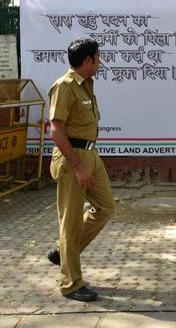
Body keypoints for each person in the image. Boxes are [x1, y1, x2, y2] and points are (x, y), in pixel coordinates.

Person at [46, 38, 116, 302]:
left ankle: (64, 253)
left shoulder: (86, 84)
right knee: (70, 221)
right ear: (88, 60)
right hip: (72, 159)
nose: (100, 62)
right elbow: (56, 129)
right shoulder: (64, 86)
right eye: (98, 57)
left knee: (106, 206)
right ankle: (71, 283)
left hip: (90, 154)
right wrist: (77, 166)